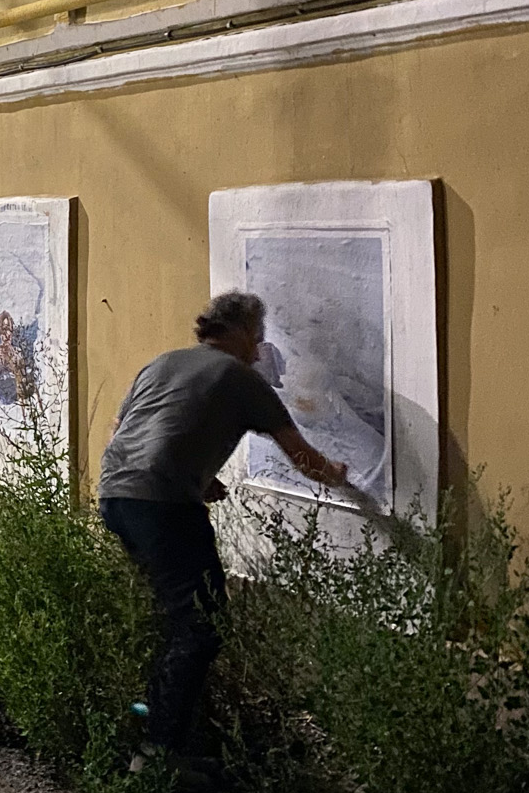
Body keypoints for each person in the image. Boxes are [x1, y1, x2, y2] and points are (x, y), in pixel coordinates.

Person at [98, 290, 346, 768]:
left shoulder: (162, 363)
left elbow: (121, 429)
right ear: (243, 333)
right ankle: (159, 754)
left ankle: (149, 726)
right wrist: (341, 476)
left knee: (177, 619)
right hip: (165, 505)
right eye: (258, 337)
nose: (260, 349)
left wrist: (196, 474)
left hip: (116, 496)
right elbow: (303, 457)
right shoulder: (240, 378)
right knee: (202, 626)